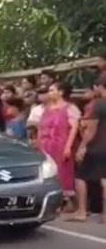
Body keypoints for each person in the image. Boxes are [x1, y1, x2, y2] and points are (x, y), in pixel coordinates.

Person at [70, 75, 106, 222]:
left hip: (96, 146)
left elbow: (90, 129)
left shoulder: (98, 105)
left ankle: (82, 211)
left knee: (80, 177)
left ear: (100, 87)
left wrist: (82, 147)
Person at [39, 81, 80, 209]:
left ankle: (76, 204)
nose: (49, 93)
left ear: (61, 92)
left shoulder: (70, 108)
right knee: (48, 173)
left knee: (65, 173)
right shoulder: (46, 109)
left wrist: (68, 147)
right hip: (46, 144)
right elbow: (40, 127)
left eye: (52, 90)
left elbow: (74, 128)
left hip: (61, 144)